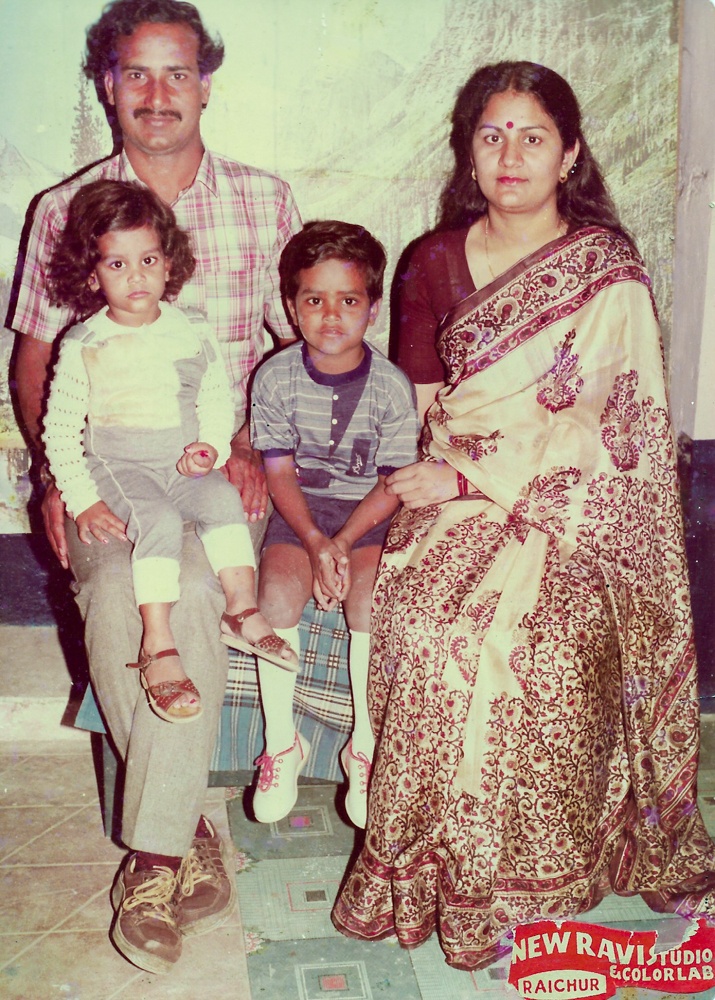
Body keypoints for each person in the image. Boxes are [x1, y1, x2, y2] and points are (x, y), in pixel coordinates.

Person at [332, 61, 715, 969]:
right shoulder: (430, 259)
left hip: (583, 516)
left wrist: (482, 486)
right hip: (455, 493)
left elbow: (615, 430)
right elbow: (436, 413)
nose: (509, 154)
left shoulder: (606, 272)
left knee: (547, 637)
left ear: (568, 153)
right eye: (490, 135)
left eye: (531, 136)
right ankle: (431, 871)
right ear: (468, 151)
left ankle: (544, 869)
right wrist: (457, 482)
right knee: (430, 630)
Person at [8, 0, 300, 975]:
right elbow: (37, 356)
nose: (158, 94)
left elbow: (303, 348)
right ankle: (188, 834)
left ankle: (151, 854)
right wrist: (55, 473)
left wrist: (253, 444)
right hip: (102, 468)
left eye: (178, 73)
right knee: (113, 596)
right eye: (138, 73)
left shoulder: (265, 200)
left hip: (208, 467)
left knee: (205, 591)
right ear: (108, 86)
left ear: (206, 83)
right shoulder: (66, 208)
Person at [43, 179, 297, 723]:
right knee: (155, 520)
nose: (136, 276)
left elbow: (215, 398)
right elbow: (61, 431)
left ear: (168, 263)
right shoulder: (84, 344)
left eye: (148, 259)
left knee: (223, 502)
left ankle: (241, 609)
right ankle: (157, 644)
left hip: (180, 461)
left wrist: (209, 447)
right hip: (120, 465)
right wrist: (83, 500)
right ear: (92, 275)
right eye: (116, 265)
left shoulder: (191, 329)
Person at [250, 221, 419, 828]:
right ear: (292, 308)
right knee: (273, 599)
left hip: (368, 516)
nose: (330, 315)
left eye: (347, 300)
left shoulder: (392, 389)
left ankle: (365, 745)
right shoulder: (274, 378)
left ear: (371, 309)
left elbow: (394, 483)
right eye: (313, 300)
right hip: (303, 516)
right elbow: (278, 474)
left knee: (370, 604)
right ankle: (281, 743)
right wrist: (317, 542)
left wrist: (344, 543)